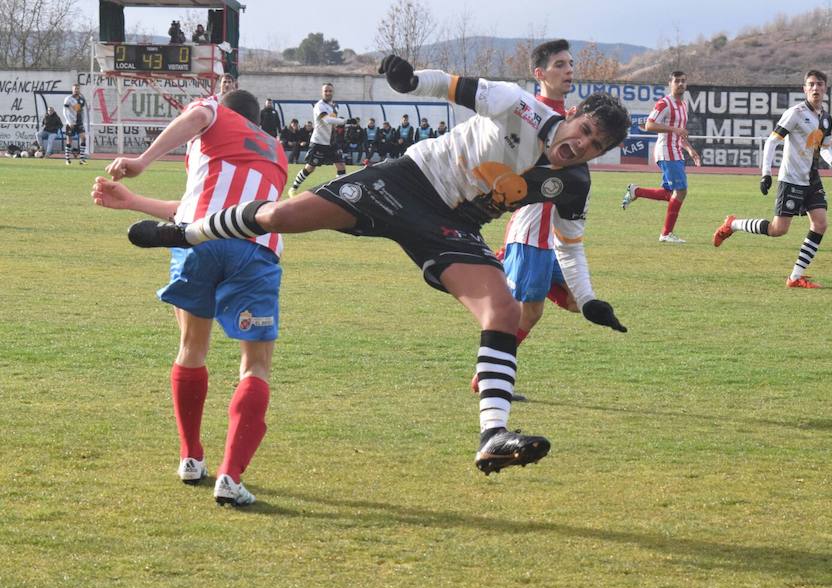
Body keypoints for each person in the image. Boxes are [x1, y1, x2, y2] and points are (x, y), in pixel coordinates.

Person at [126, 55, 631, 476]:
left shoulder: (576, 184)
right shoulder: (520, 106)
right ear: (573, 116)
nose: (581, 144)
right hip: (406, 181)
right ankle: (185, 232)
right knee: (285, 213)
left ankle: (493, 434)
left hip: (452, 227)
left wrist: (587, 300)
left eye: (594, 145)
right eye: (584, 130)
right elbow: (457, 87)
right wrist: (411, 81)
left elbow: (571, 243)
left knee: (502, 309)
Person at [92, 89, 288, 506]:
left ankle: (190, 457)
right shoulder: (275, 150)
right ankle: (231, 477)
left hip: (196, 240)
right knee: (255, 365)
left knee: (191, 348)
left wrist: (142, 161)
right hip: (255, 246)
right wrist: (133, 203)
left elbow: (197, 122)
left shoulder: (213, 111)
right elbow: (217, 203)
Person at [475, 38, 582, 401]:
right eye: (560, 65)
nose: (569, 70)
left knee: (574, 301)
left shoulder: (564, 117)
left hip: (547, 236)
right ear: (539, 74)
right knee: (524, 312)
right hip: (532, 230)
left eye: (570, 64)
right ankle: (490, 380)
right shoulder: (535, 116)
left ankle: (502, 261)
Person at [713, 69, 832, 289]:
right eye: (811, 84)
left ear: (825, 88)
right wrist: (766, 173)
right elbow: (772, 142)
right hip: (791, 179)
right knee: (778, 230)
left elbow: (824, 148)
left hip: (812, 178)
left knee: (820, 224)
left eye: (820, 84)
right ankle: (732, 224)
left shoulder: (826, 118)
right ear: (804, 89)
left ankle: (795, 277)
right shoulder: (796, 113)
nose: (815, 88)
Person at [621, 70, 701, 243]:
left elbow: (680, 133)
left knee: (669, 193)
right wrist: (674, 130)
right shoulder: (664, 103)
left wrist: (690, 149)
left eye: (683, 81)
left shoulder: (684, 105)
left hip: (677, 151)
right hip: (666, 151)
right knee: (681, 191)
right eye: (677, 81)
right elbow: (649, 125)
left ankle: (636, 191)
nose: (680, 84)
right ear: (670, 83)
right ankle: (666, 234)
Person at [288, 83, 348, 195]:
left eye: (330, 91)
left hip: (332, 142)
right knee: (310, 168)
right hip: (319, 142)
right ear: (322, 92)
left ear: (333, 92)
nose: (328, 93)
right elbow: (326, 120)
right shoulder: (319, 106)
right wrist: (343, 121)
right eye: (326, 91)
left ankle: (339, 192)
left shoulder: (334, 106)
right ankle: (293, 188)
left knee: (341, 166)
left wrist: (341, 125)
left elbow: (333, 123)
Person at [62, 83, 89, 165]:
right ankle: (67, 159)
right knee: (69, 140)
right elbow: (65, 111)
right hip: (71, 123)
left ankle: (82, 159)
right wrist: (69, 121)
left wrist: (83, 121)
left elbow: (81, 111)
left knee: (83, 138)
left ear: (79, 89)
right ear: (72, 90)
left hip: (79, 123)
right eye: (75, 89)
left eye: (77, 89)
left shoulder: (81, 99)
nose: (76, 90)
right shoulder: (68, 99)